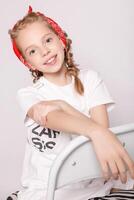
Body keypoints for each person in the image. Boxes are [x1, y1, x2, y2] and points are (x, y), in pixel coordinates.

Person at [8, 6, 134, 200]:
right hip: (48, 190)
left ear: (61, 40)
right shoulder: (29, 94)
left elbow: (102, 133)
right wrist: (94, 130)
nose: (45, 51)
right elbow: (51, 118)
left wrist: (65, 106)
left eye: (48, 40)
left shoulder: (90, 79)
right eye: (33, 51)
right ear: (29, 63)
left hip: (94, 183)